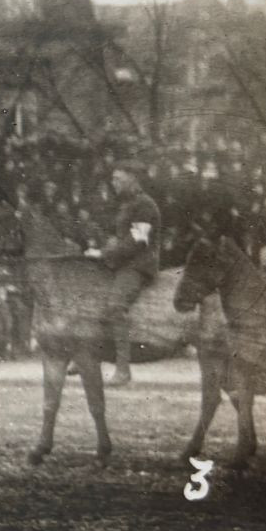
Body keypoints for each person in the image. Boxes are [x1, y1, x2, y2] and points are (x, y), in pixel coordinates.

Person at [96, 158, 162, 387]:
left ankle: (123, 369)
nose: (113, 182)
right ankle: (89, 354)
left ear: (132, 179)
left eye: (118, 178)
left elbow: (139, 241)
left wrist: (106, 255)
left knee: (115, 306)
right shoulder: (128, 205)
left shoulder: (145, 205)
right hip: (123, 263)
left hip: (138, 265)